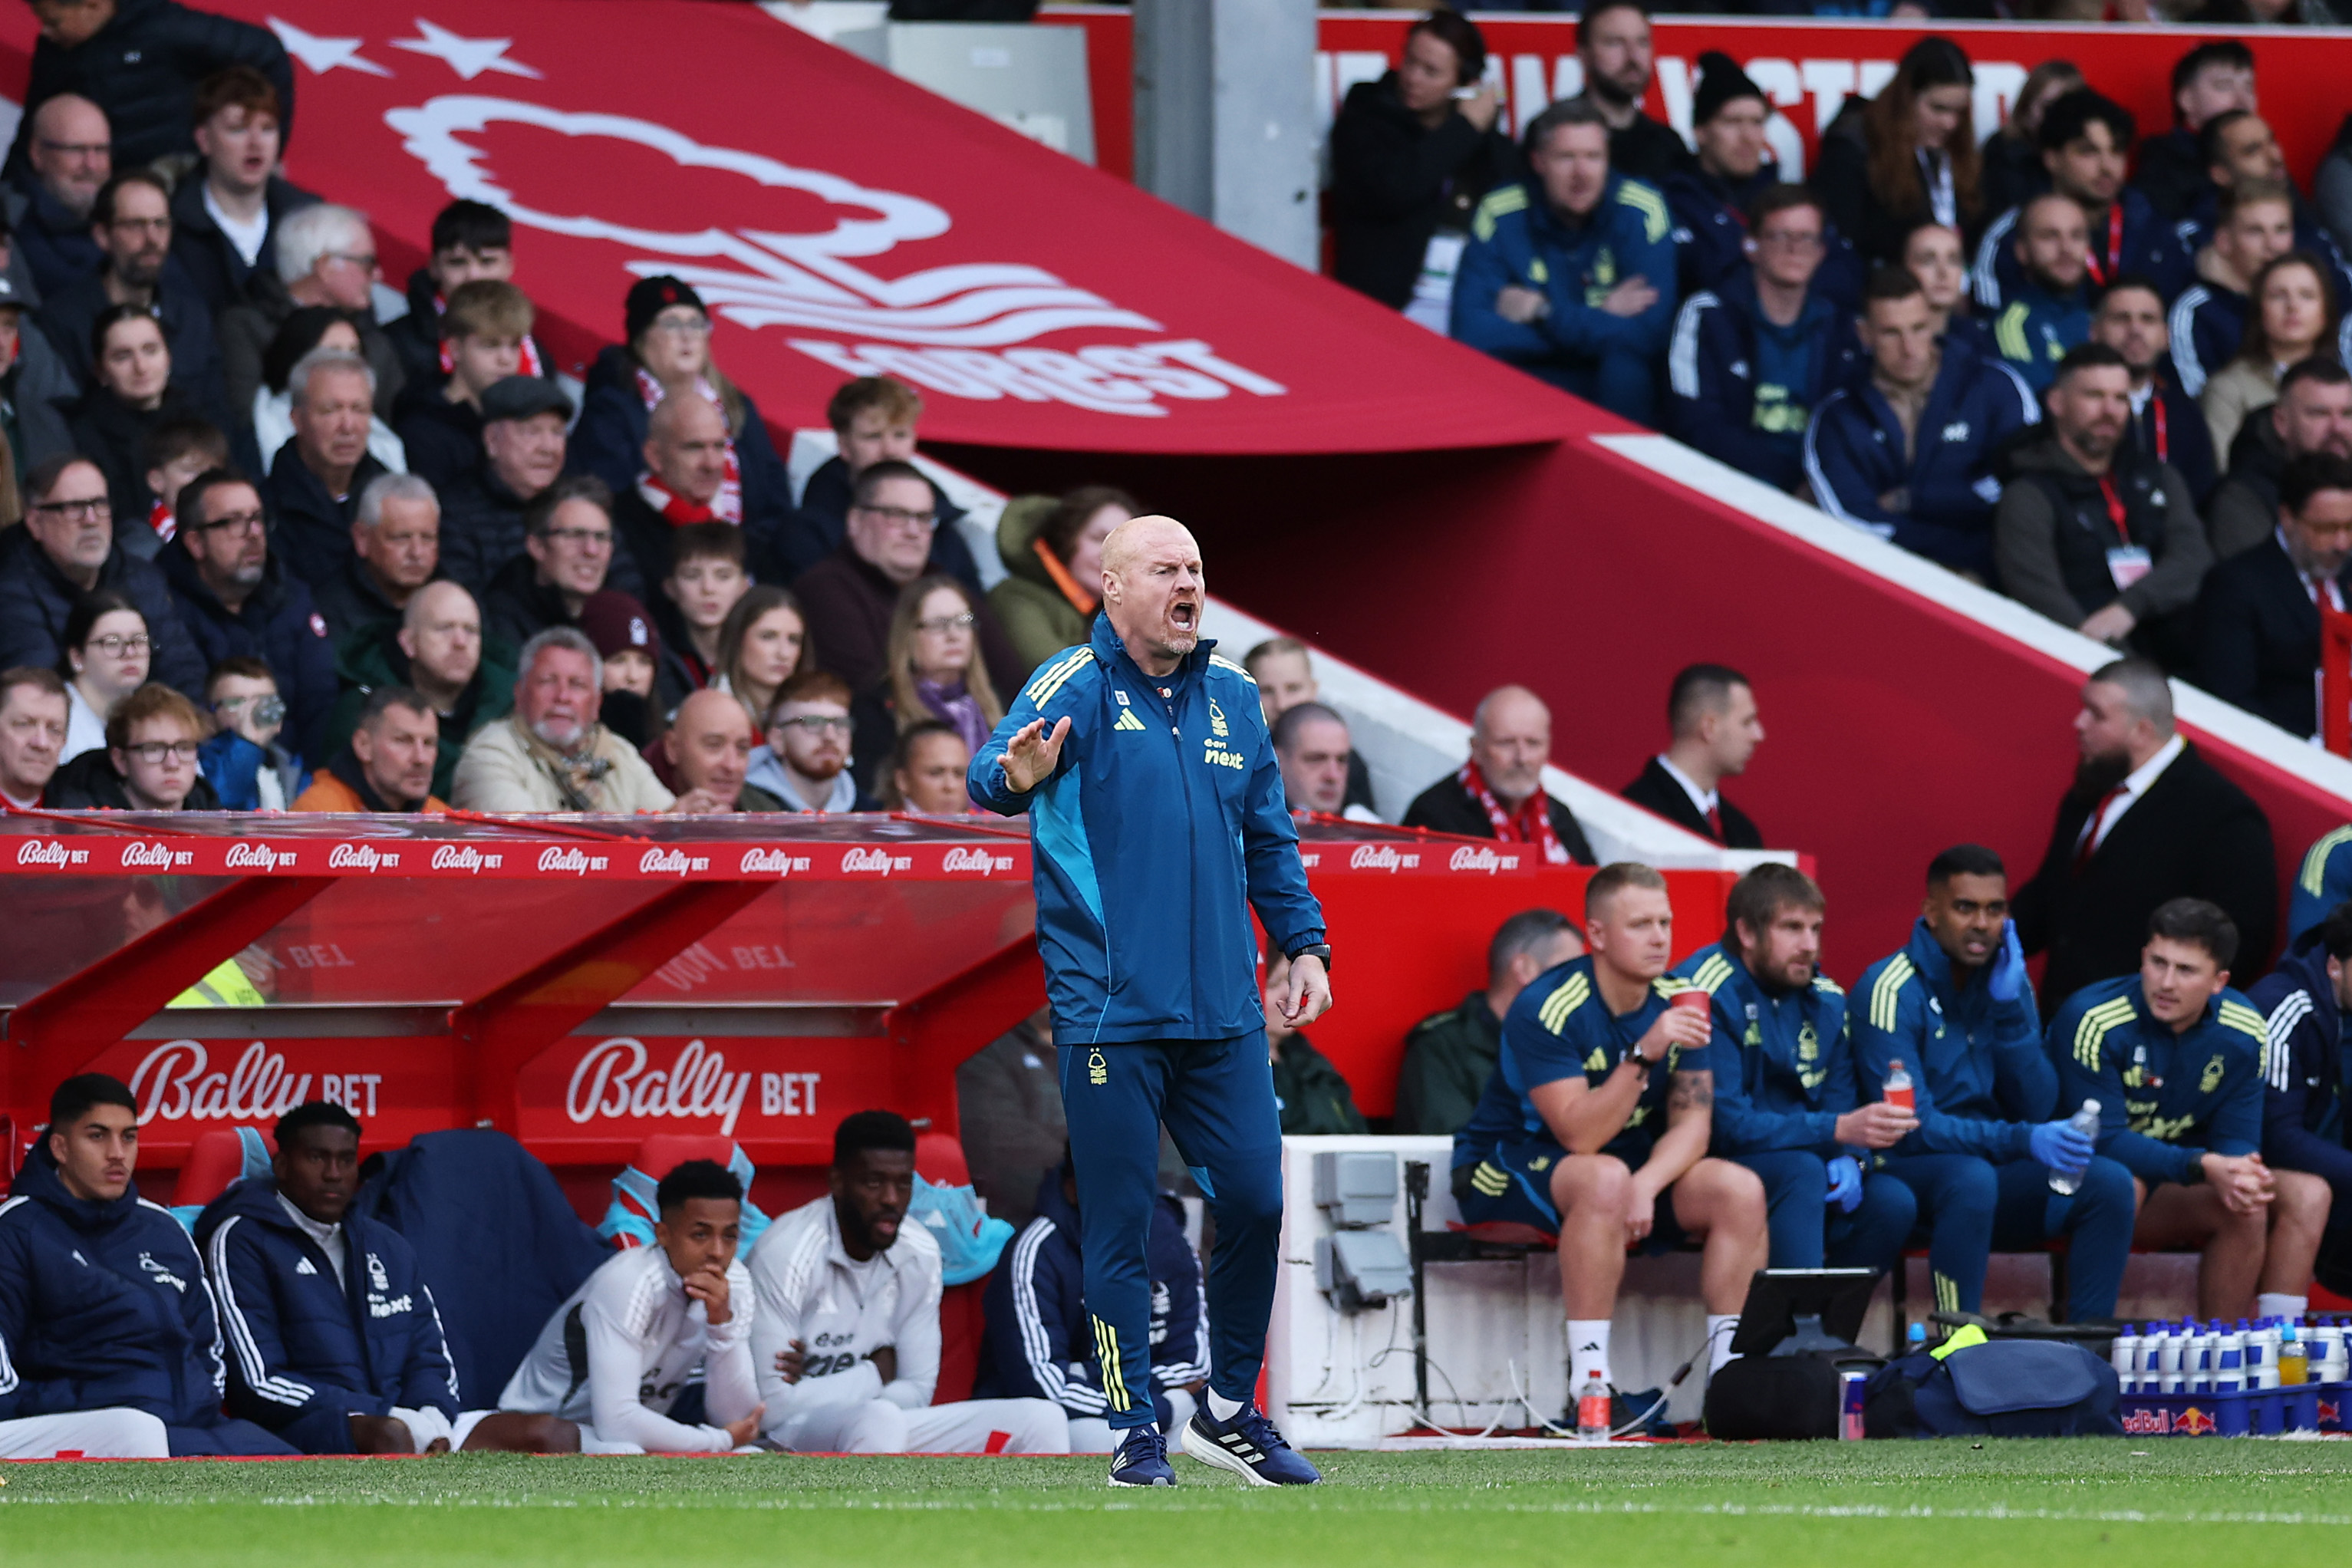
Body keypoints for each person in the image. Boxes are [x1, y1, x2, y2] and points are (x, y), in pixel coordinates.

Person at [968, 513, 1331, 1487]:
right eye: (1167, 568)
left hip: (1223, 1011)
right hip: (1107, 1011)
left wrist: (1302, 941)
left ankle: (1225, 1407)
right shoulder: (1069, 685)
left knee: (1257, 1199)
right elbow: (987, 776)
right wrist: (1015, 776)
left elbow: (1270, 834)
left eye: (1197, 569)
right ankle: (1137, 1430)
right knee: (1120, 1221)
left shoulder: (1235, 696)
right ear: (1114, 587)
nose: (1189, 583)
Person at [1451, 863, 1768, 1408]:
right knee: (1603, 1177)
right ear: (1596, 935)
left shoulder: (1682, 1000)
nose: (1659, 937)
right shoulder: (1547, 1006)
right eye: (1640, 924)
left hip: (1626, 1172)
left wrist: (1647, 1185)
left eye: (1665, 922)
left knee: (1737, 1189)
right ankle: (1591, 1384)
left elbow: (1694, 1126)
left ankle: (1731, 1380)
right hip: (1508, 1163)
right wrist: (1645, 1050)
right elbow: (1579, 1135)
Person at [1853, 845, 2137, 1325]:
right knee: (1969, 1178)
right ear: (1932, 912)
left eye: (1995, 909)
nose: (1982, 924)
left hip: (1988, 1173)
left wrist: (2010, 1014)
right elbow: (1913, 1130)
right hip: (1907, 1175)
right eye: (1965, 908)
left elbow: (2040, 1102)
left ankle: (2091, 1353)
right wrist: (2023, 1138)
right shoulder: (1890, 989)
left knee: (2108, 1183)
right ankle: (1956, 1345)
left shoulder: (2007, 982)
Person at [196, 1101, 568, 1453]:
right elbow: (258, 1382)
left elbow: (431, 1356)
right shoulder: (242, 1239)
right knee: (390, 1436)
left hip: (407, 1417)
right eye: (316, 1158)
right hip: (309, 1423)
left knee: (550, 1433)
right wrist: (385, 1412)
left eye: (346, 1160)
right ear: (282, 1165)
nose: (333, 1174)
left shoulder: (386, 1244)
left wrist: (433, 1416)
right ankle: (410, 1523)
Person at [2054, 899, 2331, 1319]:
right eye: (2158, 963)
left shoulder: (2244, 1029)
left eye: (2186, 971)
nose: (2166, 983)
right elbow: (2103, 1141)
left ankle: (2236, 1355)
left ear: (2219, 981)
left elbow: (2237, 1141)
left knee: (2250, 1200)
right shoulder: (2093, 1018)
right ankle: (2084, 1345)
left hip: (2174, 1179)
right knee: (2122, 1185)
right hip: (2077, 1181)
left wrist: (2238, 1172)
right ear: (2143, 957)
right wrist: (2202, 1165)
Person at [0, 1074, 293, 1455]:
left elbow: (208, 1346)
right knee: (138, 1431)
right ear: (60, 1147)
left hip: (191, 1421)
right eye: (97, 1136)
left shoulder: (163, 1228)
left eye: (129, 1137)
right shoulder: (18, 1228)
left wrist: (197, 1396)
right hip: (85, 1425)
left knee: (295, 1470)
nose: (117, 1153)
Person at [745, 1111, 1065, 1455]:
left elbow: (917, 1389)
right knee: (879, 1417)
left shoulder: (919, 1251)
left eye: (903, 1183)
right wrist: (874, 1373)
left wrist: (841, 1390)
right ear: (837, 1182)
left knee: (1042, 1419)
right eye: (873, 1182)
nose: (891, 1199)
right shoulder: (787, 1251)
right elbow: (771, 1410)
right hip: (789, 1436)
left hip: (886, 1424)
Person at [1676, 865, 1915, 1274]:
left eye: (1815, 929)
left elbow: (1842, 1102)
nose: (1809, 945)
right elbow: (1728, 1127)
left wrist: (1852, 1158)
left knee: (1893, 1202)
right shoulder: (1705, 991)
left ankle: (1830, 1332)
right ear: (1748, 934)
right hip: (1712, 1166)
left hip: (1801, 1155)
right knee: (1801, 1172)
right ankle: (1797, 1333)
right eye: (1792, 928)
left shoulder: (1827, 999)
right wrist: (1835, 1131)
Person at [2014, 659, 2277, 1012]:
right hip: (2058, 1025)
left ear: (2142, 730)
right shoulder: (2090, 792)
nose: (2079, 724)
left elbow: (2241, 942)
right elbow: (2050, 894)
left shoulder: (2222, 816)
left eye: (2097, 714)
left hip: (2139, 1047)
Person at [499, 1159, 764, 1454]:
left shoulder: (735, 1281)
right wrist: (719, 1441)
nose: (717, 1252)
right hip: (541, 1431)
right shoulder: (629, 1282)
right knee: (625, 1454)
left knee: (750, 1457)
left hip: (630, 1437)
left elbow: (739, 1420)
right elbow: (617, 1423)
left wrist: (721, 1323)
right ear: (662, 1234)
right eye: (700, 1235)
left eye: (729, 1236)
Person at [1803, 267, 2039, 580]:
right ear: (1864, 334)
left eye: (1919, 328)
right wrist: (1947, 560)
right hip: (1887, 583)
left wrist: (1913, 501)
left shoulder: (1996, 386)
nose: (1910, 348)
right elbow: (1853, 520)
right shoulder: (1838, 415)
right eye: (1891, 332)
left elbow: (2021, 487)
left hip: (1995, 576)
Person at [1451, 98, 1675, 426]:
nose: (1581, 174)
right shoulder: (1500, 211)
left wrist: (1543, 313)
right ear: (1538, 161)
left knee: (1626, 368)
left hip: (1613, 399)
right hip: (1525, 393)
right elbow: (1471, 334)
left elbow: (1647, 334)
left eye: (1593, 157)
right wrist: (1600, 320)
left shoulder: (1642, 208)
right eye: (1566, 158)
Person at [975, 1151, 1206, 1454]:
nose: (1129, 1201)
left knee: (1208, 1436)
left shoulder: (1171, 1243)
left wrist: (1091, 1373)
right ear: (1074, 1190)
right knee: (1092, 1437)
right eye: (1113, 1188)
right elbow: (1043, 1386)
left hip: (1146, 1409)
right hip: (1071, 1422)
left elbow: (1193, 1366)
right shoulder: (1037, 1250)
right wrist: (1162, 1406)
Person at [1994, 342, 2212, 660]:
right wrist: (2115, 663)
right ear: (2056, 402)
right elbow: (2039, 595)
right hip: (2088, 666)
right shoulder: (2027, 494)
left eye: (2120, 398)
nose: (2110, 410)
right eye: (2094, 396)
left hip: (2182, 657)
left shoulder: (2158, 476)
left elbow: (2194, 558)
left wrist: (2130, 607)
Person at [568, 275, 791, 548]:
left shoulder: (736, 406)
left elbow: (776, 505)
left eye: (696, 324)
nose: (687, 336)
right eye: (671, 324)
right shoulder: (612, 412)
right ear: (642, 337)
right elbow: (612, 508)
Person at [1666, 186, 1861, 493]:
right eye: (1781, 236)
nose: (1795, 249)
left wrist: (1818, 485)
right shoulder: (1709, 315)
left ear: (1822, 251)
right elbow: (1698, 425)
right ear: (1751, 245)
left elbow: (1852, 428)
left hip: (1816, 494)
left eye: (1807, 238)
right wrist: (1788, 481)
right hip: (1726, 488)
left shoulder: (1843, 329)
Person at [1327, 6, 1514, 321]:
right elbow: (1395, 187)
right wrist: (1463, 128)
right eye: (1410, 62)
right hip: (1381, 307)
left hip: (1467, 304)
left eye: (1431, 71)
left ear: (1464, 80)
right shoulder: (1365, 116)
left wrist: (1479, 129)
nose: (1413, 78)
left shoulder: (1481, 143)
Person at [796, 459, 1022, 695]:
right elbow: (870, 694)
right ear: (855, 520)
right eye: (896, 515)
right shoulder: (824, 589)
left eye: (924, 518)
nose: (913, 531)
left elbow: (1013, 683)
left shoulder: (948, 590)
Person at [160, 465, 333, 763]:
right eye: (233, 523)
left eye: (256, 519)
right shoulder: (164, 605)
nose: (253, 533)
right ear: (195, 543)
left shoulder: (293, 598)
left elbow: (321, 705)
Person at [8, 0, 290, 179]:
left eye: (53, 21)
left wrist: (264, 147)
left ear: (92, 6)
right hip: (101, 195)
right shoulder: (54, 53)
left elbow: (268, 52)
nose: (47, 32)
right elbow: (34, 131)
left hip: (178, 185)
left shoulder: (163, 27)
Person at [1972, 90, 2190, 316]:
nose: (2107, 167)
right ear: (2052, 159)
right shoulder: (2012, 233)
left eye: (2116, 151)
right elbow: (1992, 326)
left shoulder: (2157, 230)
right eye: (2089, 152)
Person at [0, 453, 204, 695]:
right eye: (74, 508)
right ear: (35, 522)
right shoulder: (11, 592)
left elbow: (184, 672)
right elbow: (38, 695)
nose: (91, 520)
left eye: (100, 504)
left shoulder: (142, 577)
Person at [452, 625, 698, 814]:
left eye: (577, 685)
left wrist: (689, 818)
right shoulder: (489, 752)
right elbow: (533, 843)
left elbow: (666, 823)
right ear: (519, 694)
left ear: (597, 704)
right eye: (548, 681)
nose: (563, 697)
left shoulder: (619, 754)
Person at [35, 169, 224, 407]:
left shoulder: (192, 316)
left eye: (161, 224)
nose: (152, 238)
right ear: (103, 235)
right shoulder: (63, 322)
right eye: (136, 225)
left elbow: (218, 410)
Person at [2196, 452, 2352, 737]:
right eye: (2325, 529)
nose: (2342, 544)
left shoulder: (2348, 571)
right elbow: (2233, 700)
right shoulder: (2237, 585)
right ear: (2288, 518)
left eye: (2350, 527)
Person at [1394, 910, 1585, 1138]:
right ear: (1525, 969)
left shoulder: (1582, 1045)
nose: (1582, 985)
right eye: (1569, 971)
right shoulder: (1443, 1049)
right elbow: (1456, 1151)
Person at [321, 581, 512, 805]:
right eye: (445, 628)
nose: (461, 642)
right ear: (408, 642)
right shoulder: (362, 707)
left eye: (471, 630)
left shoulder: (511, 704)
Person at [784, 375, 984, 590]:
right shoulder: (810, 531)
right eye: (873, 436)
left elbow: (974, 616)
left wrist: (946, 621)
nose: (890, 450)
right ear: (843, 444)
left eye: (900, 435)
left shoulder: (943, 526)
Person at [2249, 900, 2352, 1297]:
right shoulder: (2284, 1006)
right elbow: (2278, 1139)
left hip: (2326, 1168)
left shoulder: (2340, 1003)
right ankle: (2279, 1342)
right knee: (2312, 1194)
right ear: (2334, 966)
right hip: (2246, 1164)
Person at [219, 203, 404, 423]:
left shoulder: (375, 342)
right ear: (325, 267)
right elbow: (246, 421)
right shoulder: (246, 328)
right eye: (367, 263)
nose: (378, 275)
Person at [1810, 37, 1981, 270]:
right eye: (1938, 108)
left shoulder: (1956, 154)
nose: (1949, 123)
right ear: (1905, 98)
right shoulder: (1855, 148)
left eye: (1959, 112)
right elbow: (1841, 242)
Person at [61, 308, 222, 549]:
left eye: (151, 350)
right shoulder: (80, 433)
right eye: (123, 356)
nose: (141, 367)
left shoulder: (200, 417)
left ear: (169, 356)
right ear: (101, 371)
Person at [167, 65, 317, 321]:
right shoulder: (168, 223)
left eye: (268, 128)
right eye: (238, 129)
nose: (256, 142)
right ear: (204, 140)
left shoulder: (312, 220)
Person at [1402, 684, 1596, 864]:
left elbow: (1592, 889)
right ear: (1476, 749)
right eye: (1506, 743)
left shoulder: (1557, 816)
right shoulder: (1433, 814)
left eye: (1533, 743)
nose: (1522, 757)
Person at [850, 575, 1003, 796]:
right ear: (908, 636)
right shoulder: (875, 710)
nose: (953, 635)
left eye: (963, 622)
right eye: (939, 625)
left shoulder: (995, 703)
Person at [260, 348, 390, 595]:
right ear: (297, 419)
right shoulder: (265, 512)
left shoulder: (394, 502)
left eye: (359, 409)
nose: (347, 426)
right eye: (331, 410)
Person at [383, 200, 549, 391]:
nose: (473, 276)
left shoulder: (535, 353)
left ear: (509, 266)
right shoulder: (396, 344)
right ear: (435, 267)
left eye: (487, 262)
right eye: (457, 263)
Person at [390, 278, 532, 497]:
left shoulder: (527, 416)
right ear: (455, 348)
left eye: (514, 345)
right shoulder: (422, 429)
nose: (506, 359)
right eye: (490, 345)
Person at [609, 390, 753, 603]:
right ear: (655, 456)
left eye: (719, 447)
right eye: (694, 448)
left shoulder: (739, 531)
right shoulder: (616, 526)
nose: (712, 464)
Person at [2206, 357, 2352, 561]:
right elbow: (2257, 584)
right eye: (2320, 414)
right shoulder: (2244, 496)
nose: (2337, 427)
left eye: (2347, 414)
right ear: (2281, 422)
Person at [439, 374, 572, 598]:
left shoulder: (579, 506)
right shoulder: (455, 516)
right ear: (492, 440)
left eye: (557, 432)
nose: (549, 448)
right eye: (532, 431)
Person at [2092, 275, 2219, 506]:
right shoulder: (2076, 407)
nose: (2135, 330)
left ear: (2165, 337)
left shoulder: (2185, 413)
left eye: (2148, 319)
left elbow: (2203, 499)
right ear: (2094, 332)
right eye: (2122, 319)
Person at [2171, 180, 2301, 403]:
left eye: (2281, 230)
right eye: (2255, 231)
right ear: (2224, 241)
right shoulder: (2196, 312)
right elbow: (2202, 405)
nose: (2272, 245)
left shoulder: (2310, 302)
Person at [2203, 254, 2343, 460]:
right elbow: (2224, 474)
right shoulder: (2227, 390)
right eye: (2278, 295)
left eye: (2307, 295)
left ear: (2326, 312)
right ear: (2260, 310)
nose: (2293, 306)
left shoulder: (2344, 387)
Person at [1664, 54, 1779, 303]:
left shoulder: (1785, 200)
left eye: (1757, 122)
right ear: (1700, 131)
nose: (1748, 136)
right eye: (1733, 122)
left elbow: (1839, 272)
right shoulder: (1669, 202)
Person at [990, 484, 1135, 677]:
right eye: (1098, 538)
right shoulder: (1015, 596)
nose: (1110, 555)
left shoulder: (1116, 615)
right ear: (1066, 538)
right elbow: (1064, 679)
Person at [1620, 663, 1764, 847]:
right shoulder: (1635, 815)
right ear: (1709, 727)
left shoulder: (1741, 829)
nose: (1759, 735)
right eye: (1746, 722)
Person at [248, 308, 404, 478]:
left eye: (355, 351)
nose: (347, 362)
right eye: (333, 353)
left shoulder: (384, 441)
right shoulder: (266, 420)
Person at [1240, 637, 1375, 814]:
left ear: (1314, 689)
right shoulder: (1231, 755)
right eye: (1266, 691)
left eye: (1293, 688)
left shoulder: (1349, 762)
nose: (1281, 703)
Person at [957, 1010, 1066, 1230]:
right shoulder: (990, 1047)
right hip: (1024, 1218)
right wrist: (1083, 1168)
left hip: (1090, 1206)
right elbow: (1003, 1138)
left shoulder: (1090, 1044)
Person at [1559, 1, 1682, 189]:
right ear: (1583, 54)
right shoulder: (1553, 133)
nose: (1633, 57)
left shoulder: (1668, 144)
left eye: (1642, 42)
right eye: (1615, 43)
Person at [2132, 41, 2258, 224]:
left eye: (2249, 87)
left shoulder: (2267, 159)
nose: (2243, 101)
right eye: (2224, 86)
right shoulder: (2162, 167)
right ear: (2187, 99)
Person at [483, 476, 616, 650]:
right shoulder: (499, 621)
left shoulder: (621, 613)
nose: (591, 550)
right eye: (575, 535)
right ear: (537, 546)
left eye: (601, 537)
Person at [44, 677, 216, 809]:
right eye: (154, 749)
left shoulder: (213, 814)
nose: (172, 763)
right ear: (121, 760)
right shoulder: (74, 818)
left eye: (184, 748)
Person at [312, 472, 438, 651]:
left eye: (427, 538)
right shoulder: (329, 611)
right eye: (401, 538)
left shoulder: (454, 601)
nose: (416, 553)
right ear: (362, 538)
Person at [1985, 193, 2093, 396]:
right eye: (2050, 236)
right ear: (2021, 250)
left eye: (2077, 236)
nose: (2066, 248)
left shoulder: (2097, 319)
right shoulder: (2012, 325)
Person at [12, 94, 110, 298]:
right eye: (76, 150)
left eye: (100, 150)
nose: (91, 165)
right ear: (37, 153)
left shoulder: (127, 215)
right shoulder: (13, 226)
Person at [292, 685, 445, 814]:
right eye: (403, 741)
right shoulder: (318, 816)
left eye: (428, 743)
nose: (421, 758)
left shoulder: (441, 819)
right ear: (364, 745)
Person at [1261, 954, 1367, 1135]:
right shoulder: (1237, 1074)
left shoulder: (1313, 1066)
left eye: (1290, 982)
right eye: (1273, 985)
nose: (1289, 993)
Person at [747, 669, 878, 814]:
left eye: (840, 723)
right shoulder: (742, 808)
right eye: (813, 723)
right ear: (777, 740)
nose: (830, 736)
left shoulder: (869, 812)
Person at [1978, 59, 2082, 221]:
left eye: (2067, 109)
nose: (2057, 118)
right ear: (2026, 107)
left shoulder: (2086, 158)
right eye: (2048, 107)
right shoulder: (2003, 152)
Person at [657, 522, 750, 698]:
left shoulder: (757, 655)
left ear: (743, 586)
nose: (708, 588)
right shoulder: (657, 658)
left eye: (723, 576)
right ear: (670, 587)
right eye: (692, 576)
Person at [196, 655, 300, 811]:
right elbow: (219, 806)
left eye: (265, 702)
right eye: (236, 702)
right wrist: (248, 743)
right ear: (209, 716)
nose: (253, 711)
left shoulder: (290, 765)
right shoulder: (197, 762)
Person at [58, 587, 147, 763]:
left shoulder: (160, 714)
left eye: (139, 641)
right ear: (77, 657)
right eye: (112, 643)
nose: (130, 652)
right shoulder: (53, 717)